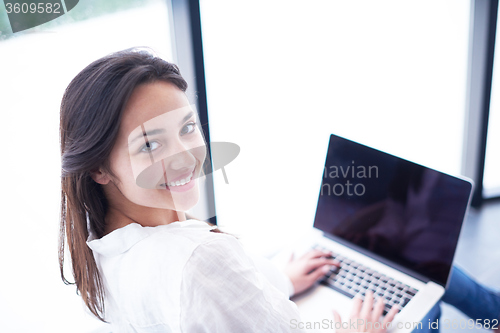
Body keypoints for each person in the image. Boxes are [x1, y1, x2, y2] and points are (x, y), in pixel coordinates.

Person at [58, 47, 398, 332]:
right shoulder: (199, 258)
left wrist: (280, 280)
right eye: (150, 145)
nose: (184, 157)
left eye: (187, 127)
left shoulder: (99, 249)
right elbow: (198, 281)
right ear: (98, 167)